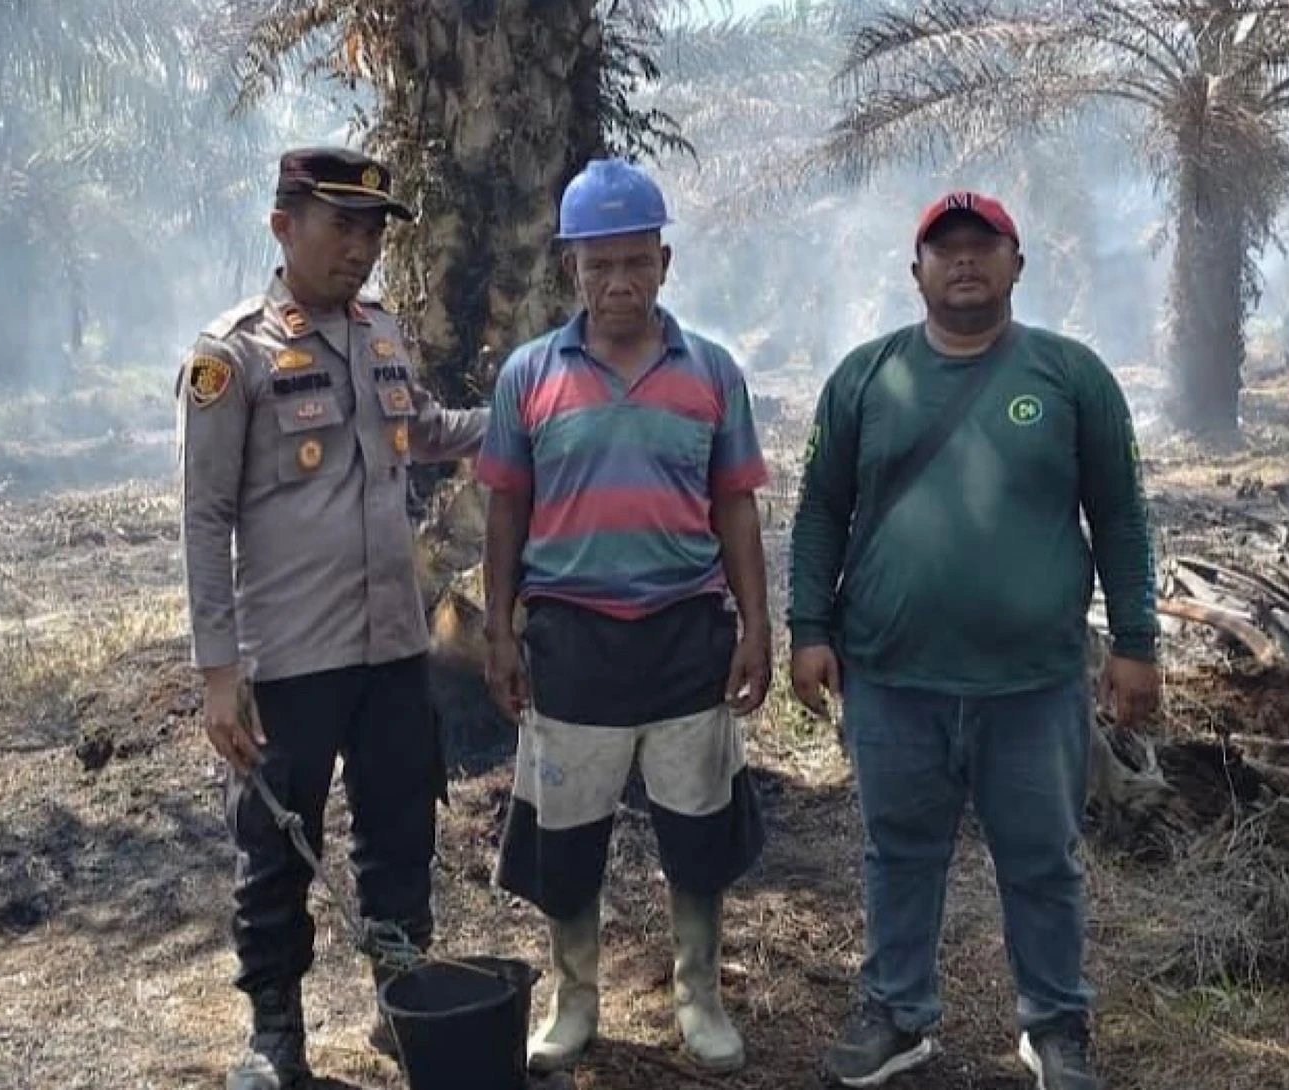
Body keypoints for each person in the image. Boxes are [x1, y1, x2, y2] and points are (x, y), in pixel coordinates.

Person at [788, 190, 1161, 1090]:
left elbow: (1119, 516)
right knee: (898, 852)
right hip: (891, 677)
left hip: (1033, 685)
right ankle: (898, 1015)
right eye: (944, 248)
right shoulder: (865, 379)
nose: (964, 260)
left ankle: (1056, 1025)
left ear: (1017, 265)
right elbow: (818, 515)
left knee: (1042, 860)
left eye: (983, 246)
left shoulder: (1071, 378)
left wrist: (1136, 641)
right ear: (915, 270)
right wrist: (807, 630)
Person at [175, 146, 489, 1090]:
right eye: (340, 225)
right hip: (290, 659)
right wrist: (218, 673)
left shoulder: (376, 332)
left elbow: (426, 428)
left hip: (394, 644)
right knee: (276, 848)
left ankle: (401, 999)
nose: (361, 247)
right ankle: (275, 1033)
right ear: (283, 225)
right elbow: (205, 518)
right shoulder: (232, 356)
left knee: (401, 828)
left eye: (373, 230)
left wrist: (523, 414)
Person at [476, 157, 772, 1076]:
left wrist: (758, 627)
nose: (619, 283)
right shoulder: (530, 375)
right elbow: (505, 512)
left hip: (687, 635)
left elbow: (734, 507)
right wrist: (498, 630)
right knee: (567, 839)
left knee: (697, 832)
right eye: (599, 264)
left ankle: (700, 996)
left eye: (636, 261)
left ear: (665, 262)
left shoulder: (711, 374)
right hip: (571, 640)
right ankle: (575, 1000)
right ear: (571, 267)